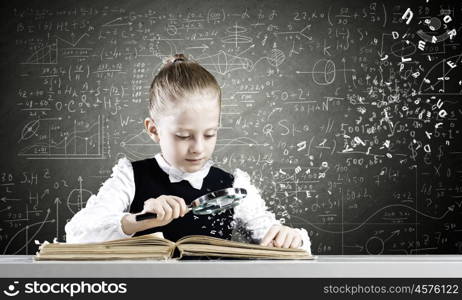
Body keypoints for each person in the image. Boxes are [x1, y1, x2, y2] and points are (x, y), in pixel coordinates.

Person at [65, 54, 311, 253]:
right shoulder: (130, 177)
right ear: (154, 130)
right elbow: (77, 233)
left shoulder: (233, 185)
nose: (198, 148)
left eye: (210, 134)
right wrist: (136, 220)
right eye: (183, 136)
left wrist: (290, 238)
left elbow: (271, 235)